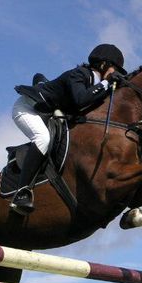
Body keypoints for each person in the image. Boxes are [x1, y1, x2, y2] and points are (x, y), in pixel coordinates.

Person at [10, 44, 127, 214]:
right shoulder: (79, 74)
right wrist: (107, 82)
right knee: (42, 138)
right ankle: (22, 192)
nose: (115, 73)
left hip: (50, 111)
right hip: (27, 108)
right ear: (102, 65)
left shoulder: (97, 84)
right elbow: (81, 100)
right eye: (114, 68)